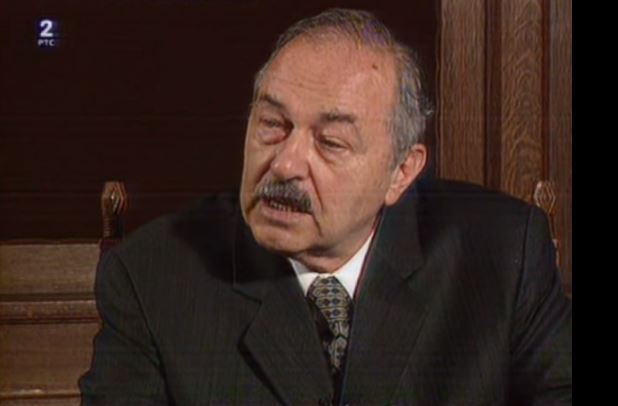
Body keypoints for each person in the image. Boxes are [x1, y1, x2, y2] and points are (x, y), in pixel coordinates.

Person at [79, 8, 572, 405]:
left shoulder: (503, 255)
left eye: (331, 142)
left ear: (400, 171)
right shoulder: (153, 276)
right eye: (273, 125)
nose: (286, 164)